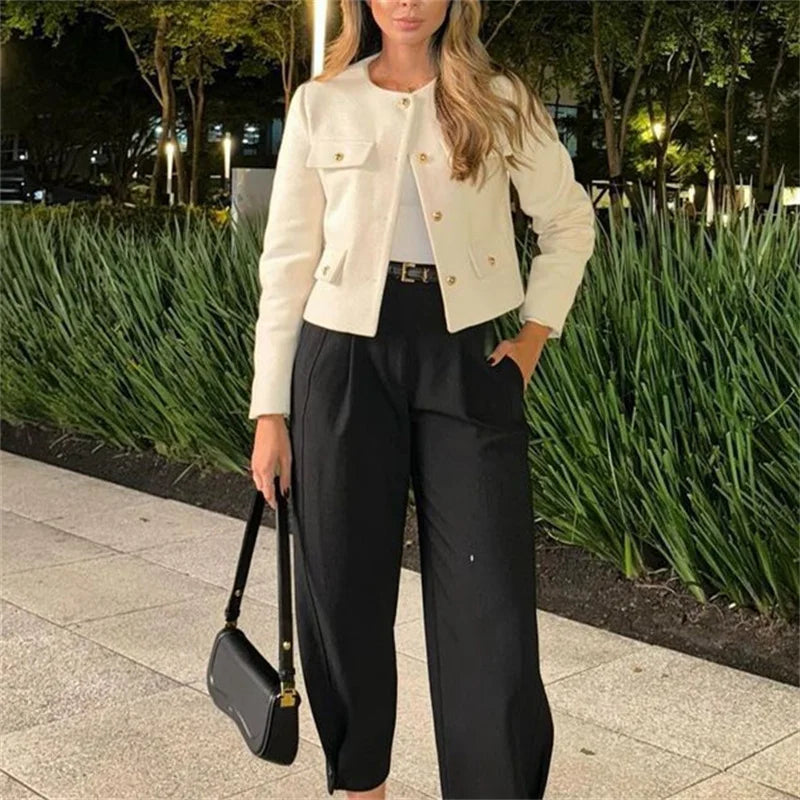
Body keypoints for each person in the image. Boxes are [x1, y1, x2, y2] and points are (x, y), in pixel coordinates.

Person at [249, 1, 596, 797]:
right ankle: (360, 784)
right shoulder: (322, 101)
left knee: (491, 602)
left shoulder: (499, 98)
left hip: (464, 353)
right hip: (341, 358)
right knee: (342, 589)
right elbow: (288, 260)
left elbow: (569, 221)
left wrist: (533, 336)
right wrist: (271, 411)